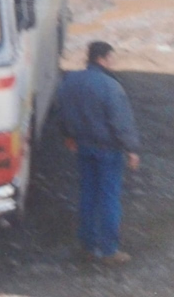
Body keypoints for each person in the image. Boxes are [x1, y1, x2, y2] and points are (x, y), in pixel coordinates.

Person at [57, 41, 140, 265]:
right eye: (111, 58)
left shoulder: (71, 80)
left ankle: (88, 245)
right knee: (109, 198)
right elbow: (121, 123)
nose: (113, 62)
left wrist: (68, 135)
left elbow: (63, 110)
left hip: (83, 146)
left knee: (88, 195)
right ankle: (109, 250)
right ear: (102, 58)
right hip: (108, 150)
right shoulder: (111, 86)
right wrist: (132, 149)